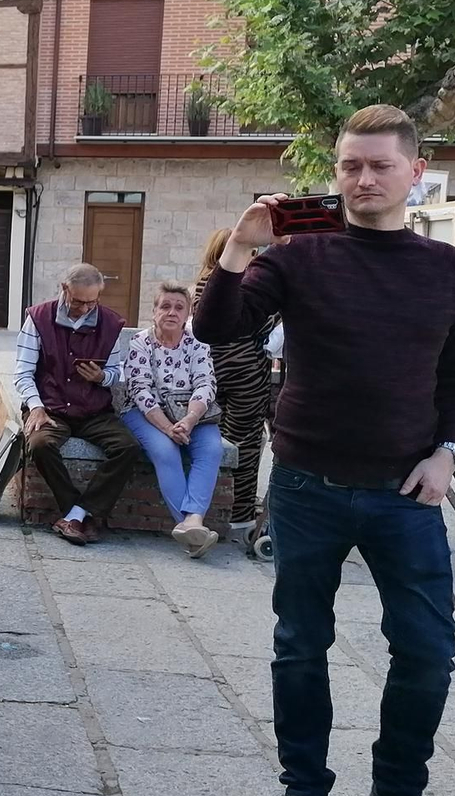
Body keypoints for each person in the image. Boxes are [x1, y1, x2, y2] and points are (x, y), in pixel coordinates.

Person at [196, 105, 455, 796]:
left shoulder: (444, 268)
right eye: (350, 165)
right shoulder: (301, 257)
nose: (363, 179)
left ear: (415, 173)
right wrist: (242, 249)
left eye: (380, 165)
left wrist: (449, 453)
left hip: (406, 490)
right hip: (308, 485)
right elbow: (221, 329)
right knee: (299, 644)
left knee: (427, 652)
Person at [15, 264, 140, 547]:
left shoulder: (110, 323)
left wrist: (101, 377)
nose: (85, 308)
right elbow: (22, 372)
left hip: (93, 409)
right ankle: (77, 512)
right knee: (39, 445)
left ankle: (81, 513)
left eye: (92, 302)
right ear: (64, 290)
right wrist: (35, 407)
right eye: (79, 301)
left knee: (128, 447)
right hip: (50, 407)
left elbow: (117, 372)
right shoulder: (38, 318)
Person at [122, 281, 224, 558]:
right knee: (166, 451)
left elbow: (206, 384)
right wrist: (168, 428)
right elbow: (139, 390)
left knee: (212, 449)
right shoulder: (140, 343)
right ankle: (192, 532)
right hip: (146, 413)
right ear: (154, 311)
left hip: (190, 414)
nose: (171, 312)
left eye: (179, 307)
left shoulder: (197, 343)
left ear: (187, 313)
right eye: (165, 306)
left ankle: (192, 523)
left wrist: (189, 420)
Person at [195, 228, 276, 535]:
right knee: (246, 442)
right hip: (247, 374)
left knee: (213, 441)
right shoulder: (247, 283)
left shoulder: (206, 282)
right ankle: (239, 513)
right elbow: (261, 322)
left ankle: (211, 505)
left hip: (213, 371)